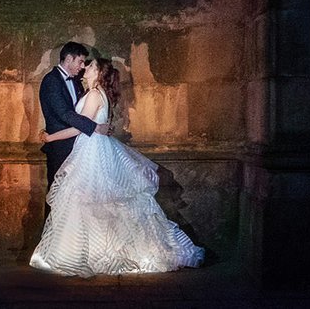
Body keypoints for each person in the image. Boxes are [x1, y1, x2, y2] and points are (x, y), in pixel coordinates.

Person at [29, 54, 205, 277]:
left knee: (90, 201)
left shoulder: (93, 95)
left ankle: (92, 254)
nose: (85, 68)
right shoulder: (96, 93)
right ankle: (98, 251)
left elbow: (80, 127)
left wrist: (50, 137)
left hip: (92, 152)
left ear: (98, 73)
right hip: (94, 147)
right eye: (84, 63)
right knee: (97, 202)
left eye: (90, 65)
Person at [38, 41, 112, 192]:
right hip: (60, 147)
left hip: (78, 147)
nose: (83, 66)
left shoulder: (78, 82)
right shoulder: (51, 81)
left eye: (86, 63)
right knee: (57, 194)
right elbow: (64, 113)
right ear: (69, 59)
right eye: (80, 61)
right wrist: (95, 127)